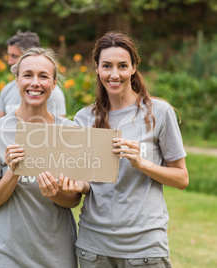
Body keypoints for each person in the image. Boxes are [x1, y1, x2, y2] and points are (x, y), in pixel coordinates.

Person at [69, 31, 189, 267]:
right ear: (97, 68)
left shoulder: (159, 113)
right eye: (107, 66)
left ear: (134, 67)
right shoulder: (83, 118)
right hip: (94, 247)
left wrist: (141, 163)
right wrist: (73, 184)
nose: (114, 74)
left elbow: (181, 178)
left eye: (122, 66)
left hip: (144, 248)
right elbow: (84, 184)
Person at [0, 47, 87, 267]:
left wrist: (55, 193)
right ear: (16, 80)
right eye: (27, 75)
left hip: (57, 254)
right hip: (8, 255)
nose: (35, 82)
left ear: (54, 84)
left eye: (43, 76)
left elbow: (74, 200)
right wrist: (13, 172)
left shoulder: (69, 131)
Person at [0, 30, 66, 119]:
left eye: (14, 56)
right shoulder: (7, 89)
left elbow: (58, 127)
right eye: (9, 56)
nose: (9, 61)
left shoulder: (51, 93)